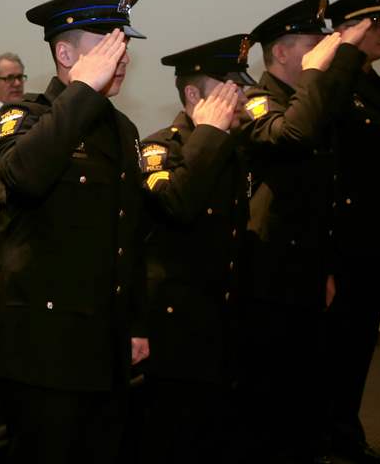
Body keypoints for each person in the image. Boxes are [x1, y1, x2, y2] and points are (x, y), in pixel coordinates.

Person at [0, 0, 149, 464]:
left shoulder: (121, 128)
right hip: (45, 348)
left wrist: (136, 324)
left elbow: (129, 233)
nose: (121, 59)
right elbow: (24, 177)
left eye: (124, 47)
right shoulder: (24, 116)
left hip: (105, 343)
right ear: (64, 52)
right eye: (108, 47)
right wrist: (82, 91)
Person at [237, 0, 370, 463]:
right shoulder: (255, 99)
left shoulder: (308, 99)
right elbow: (293, 135)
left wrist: (327, 267)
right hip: (267, 273)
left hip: (308, 269)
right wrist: (319, 72)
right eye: (313, 44)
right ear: (283, 53)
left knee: (305, 392)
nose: (323, 50)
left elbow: (324, 192)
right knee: (267, 396)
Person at [139, 34, 253, 464]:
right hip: (176, 331)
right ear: (193, 94)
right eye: (230, 89)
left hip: (223, 320)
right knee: (172, 438)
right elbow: (178, 205)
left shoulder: (233, 150)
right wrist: (206, 132)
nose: (242, 97)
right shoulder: (159, 148)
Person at [324, 0, 380, 464]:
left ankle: (345, 436)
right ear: (351, 31)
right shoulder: (331, 88)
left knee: (359, 347)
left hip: (373, 240)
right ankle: (326, 440)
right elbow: (322, 175)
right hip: (339, 244)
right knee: (330, 351)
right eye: (376, 23)